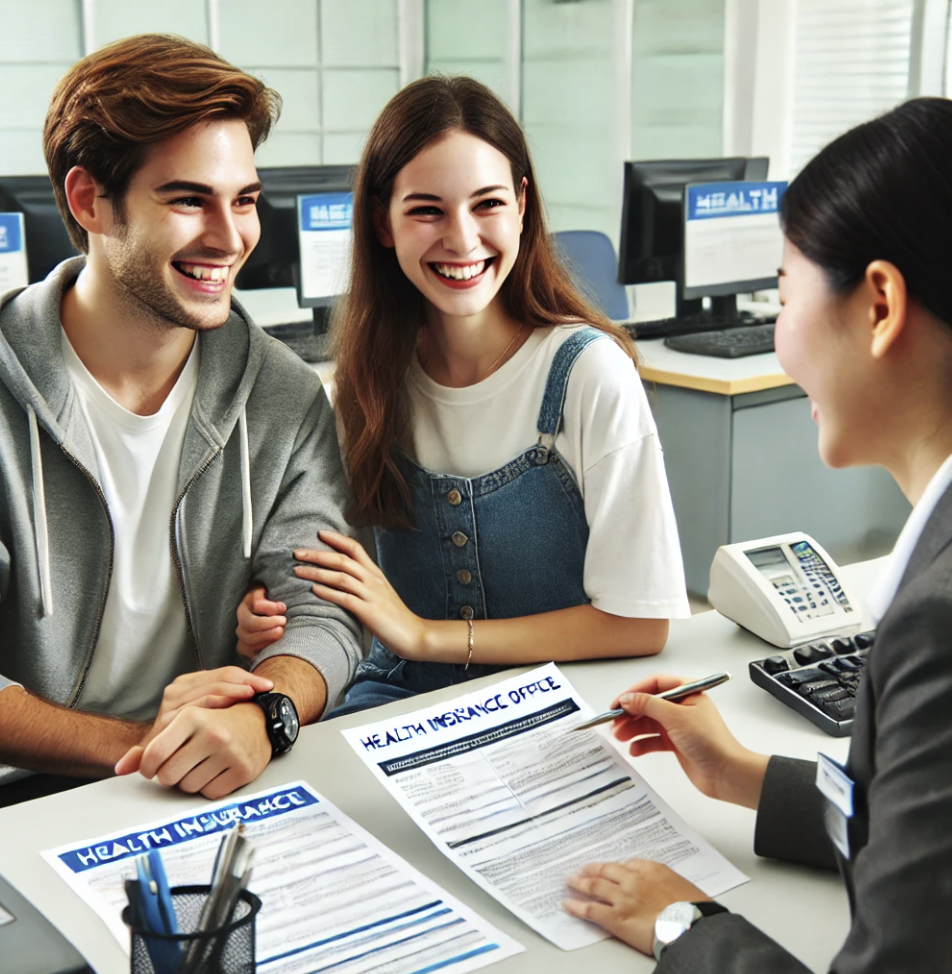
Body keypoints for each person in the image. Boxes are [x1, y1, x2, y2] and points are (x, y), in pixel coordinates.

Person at [561, 96, 952, 972]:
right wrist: (742, 774)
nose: (777, 335)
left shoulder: (939, 623)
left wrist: (685, 925)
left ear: (880, 305)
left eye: (784, 295)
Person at [237, 75, 689, 714]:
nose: (463, 238)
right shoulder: (364, 387)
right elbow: (341, 589)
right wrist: (276, 618)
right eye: (427, 210)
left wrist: (426, 635)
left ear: (522, 204)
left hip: (558, 704)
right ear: (383, 222)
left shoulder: (590, 375)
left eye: (487, 204)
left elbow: (640, 623)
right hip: (398, 700)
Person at [0, 34, 361, 804]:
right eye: (189, 199)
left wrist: (266, 714)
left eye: (245, 200)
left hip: (209, 779)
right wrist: (144, 745)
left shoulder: (283, 394)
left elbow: (323, 613)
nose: (231, 239)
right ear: (89, 201)